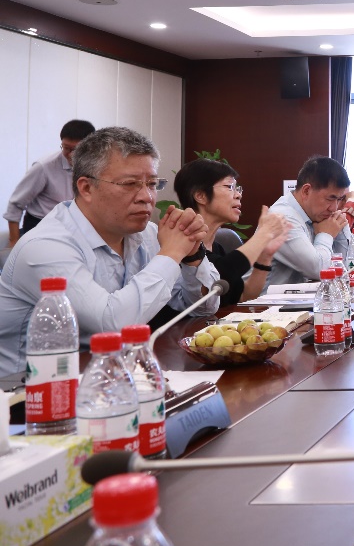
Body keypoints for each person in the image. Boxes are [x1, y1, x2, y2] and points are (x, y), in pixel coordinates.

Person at [0, 127, 218, 376]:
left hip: (108, 375)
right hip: (28, 388)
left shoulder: (146, 234)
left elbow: (204, 308)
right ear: (86, 188)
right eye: (130, 184)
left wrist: (191, 257)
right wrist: (171, 254)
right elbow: (112, 325)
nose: (146, 197)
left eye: (152, 184)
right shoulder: (46, 246)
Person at [174, 158, 291, 305]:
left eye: (238, 189)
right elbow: (214, 280)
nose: (238, 195)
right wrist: (264, 234)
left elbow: (244, 295)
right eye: (229, 187)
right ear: (201, 196)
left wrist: (265, 257)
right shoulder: (183, 246)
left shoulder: (217, 247)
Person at [5, 119, 96, 245]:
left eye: (76, 149)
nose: (70, 154)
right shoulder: (44, 167)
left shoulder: (96, 166)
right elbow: (16, 204)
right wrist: (14, 241)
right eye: (66, 148)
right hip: (41, 225)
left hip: (75, 226)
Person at [266, 156, 353, 287]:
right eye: (330, 199)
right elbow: (319, 271)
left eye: (339, 199)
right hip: (266, 300)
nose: (334, 208)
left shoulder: (316, 214)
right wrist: (326, 235)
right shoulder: (282, 217)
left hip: (302, 297)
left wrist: (340, 227)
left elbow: (348, 268)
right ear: (306, 191)